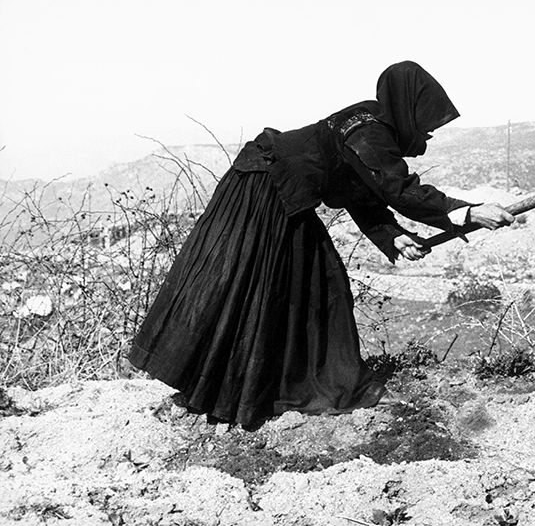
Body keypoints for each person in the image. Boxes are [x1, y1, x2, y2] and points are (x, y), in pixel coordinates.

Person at [128, 61, 514, 427]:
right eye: (427, 123)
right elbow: (398, 189)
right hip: (268, 191)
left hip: (269, 187)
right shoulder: (370, 131)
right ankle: (281, 388)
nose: (429, 133)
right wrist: (467, 212)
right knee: (299, 284)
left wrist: (391, 236)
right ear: (408, 109)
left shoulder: (369, 120)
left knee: (290, 285)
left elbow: (360, 190)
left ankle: (251, 385)